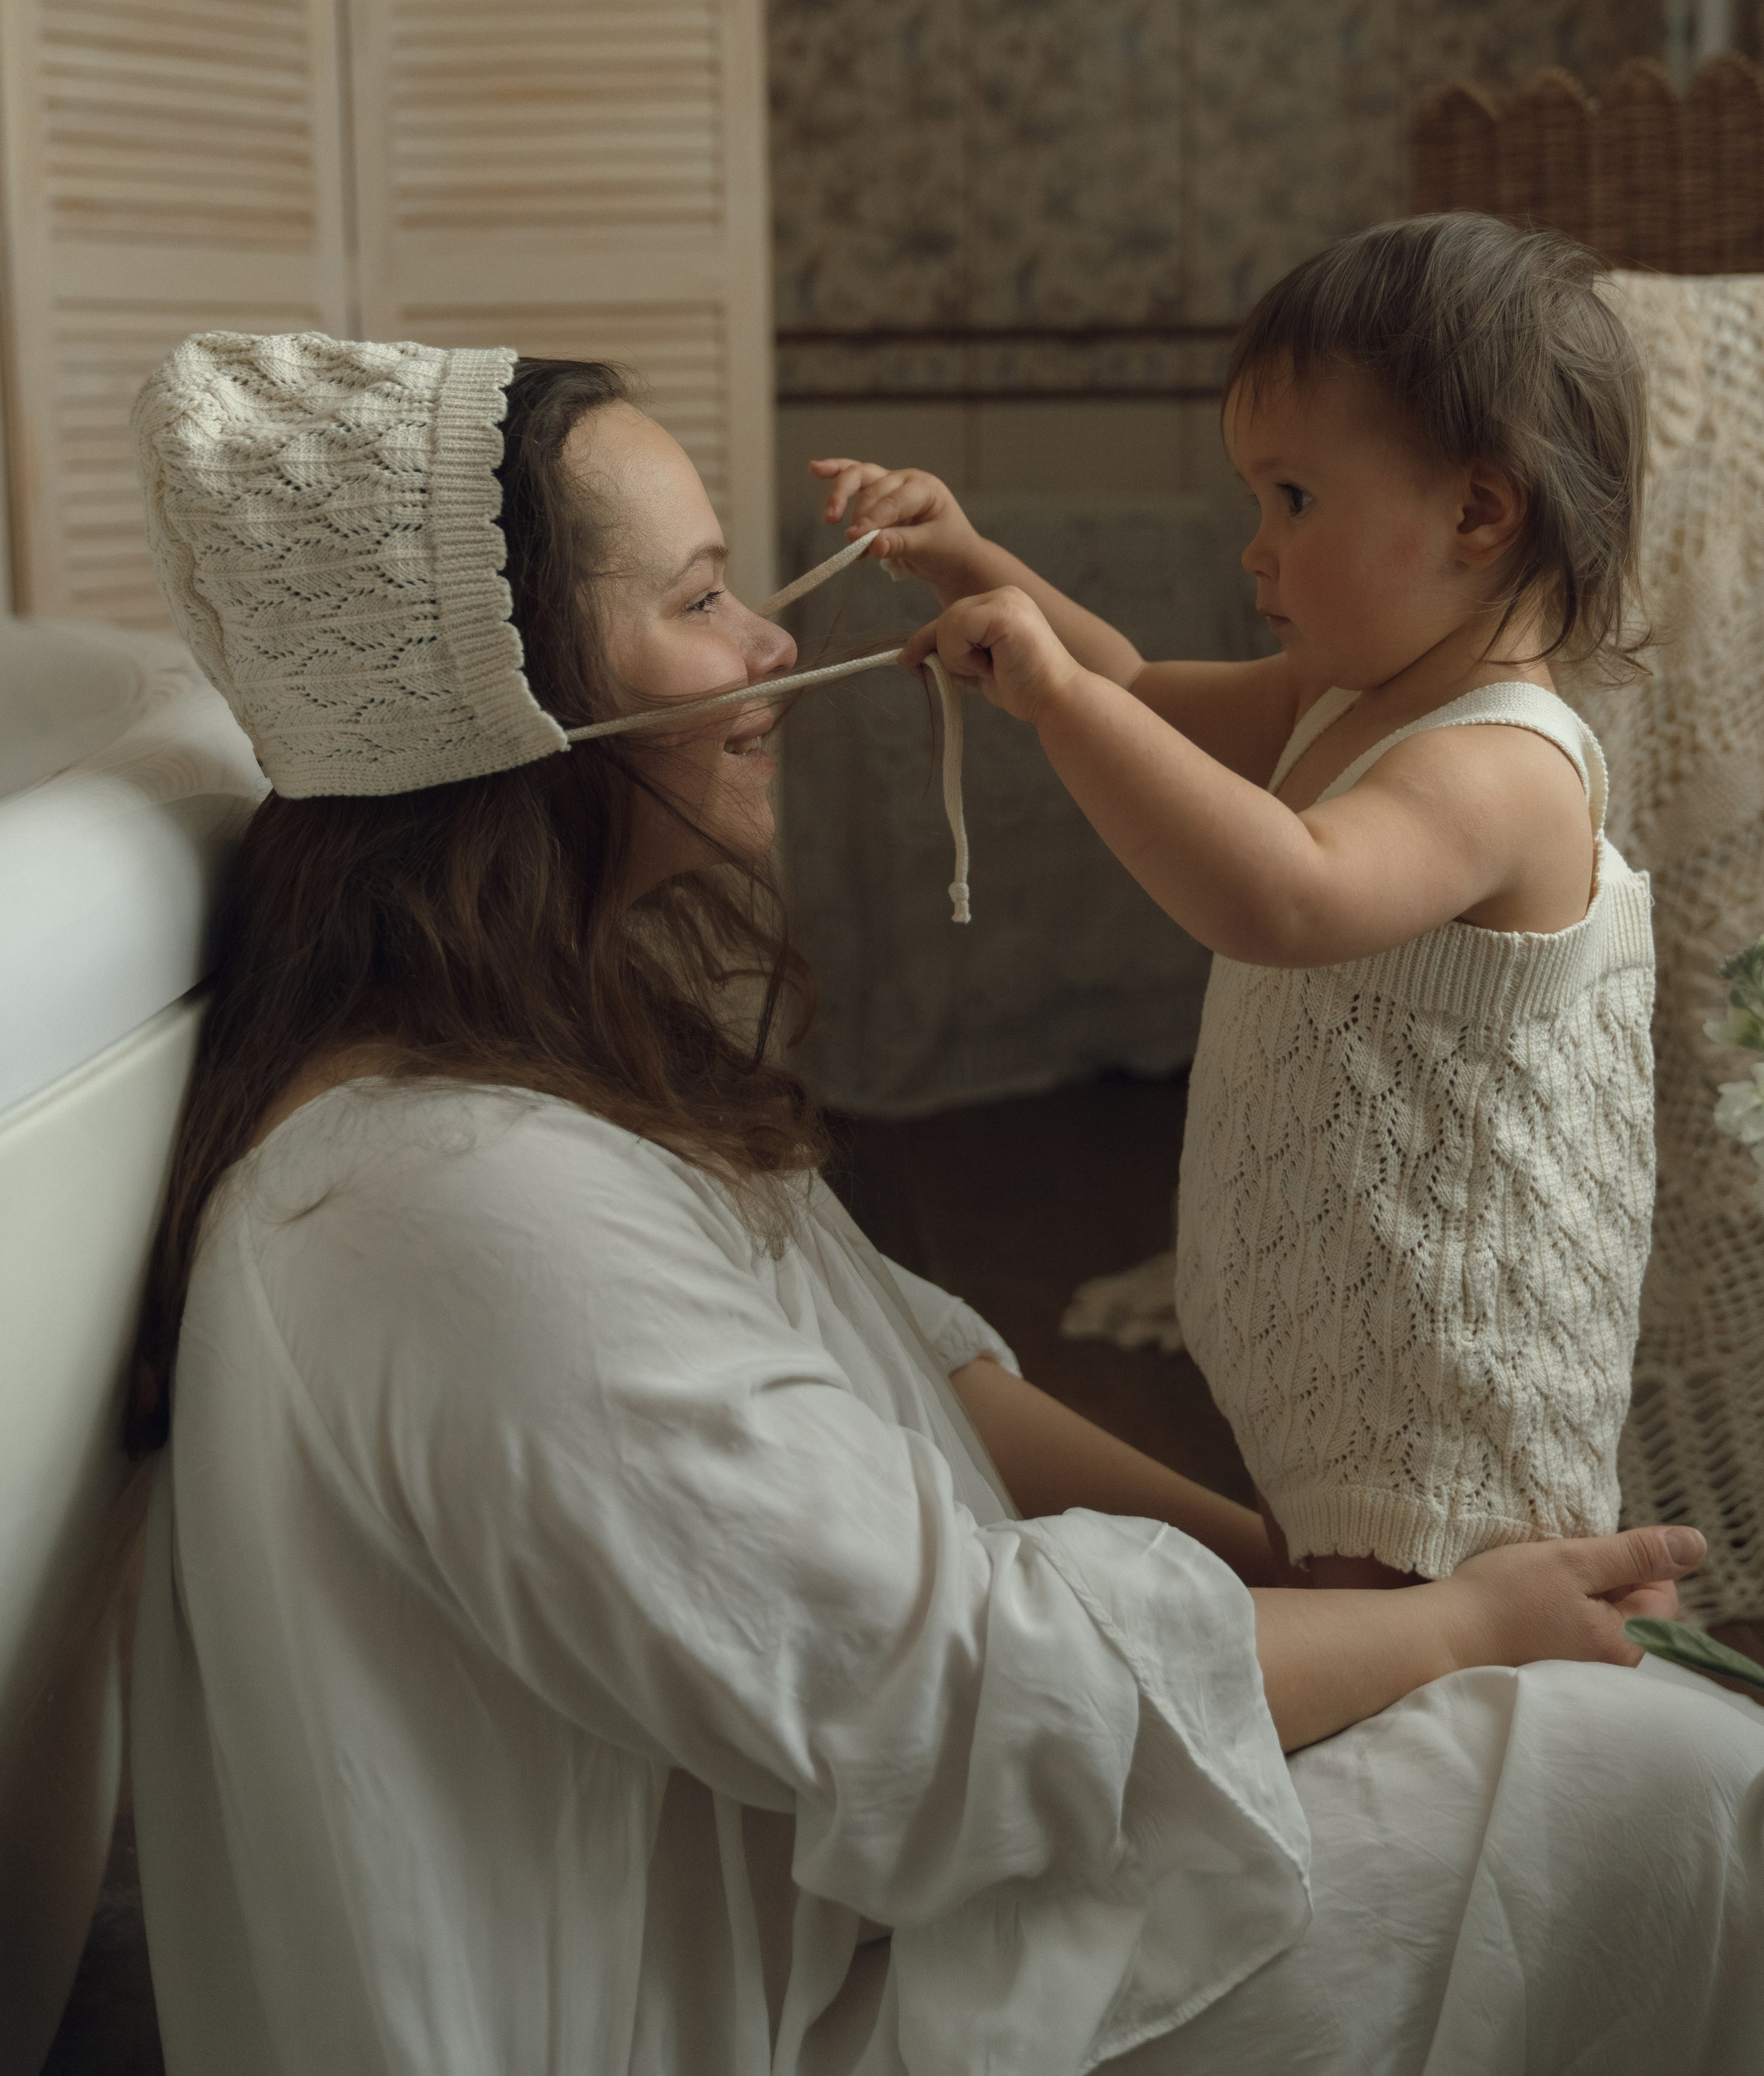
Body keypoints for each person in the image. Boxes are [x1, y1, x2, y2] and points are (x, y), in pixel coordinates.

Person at [126, 331, 1764, 2076]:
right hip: (775, 2025)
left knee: (1622, 1734)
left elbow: (928, 1377)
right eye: (699, 600)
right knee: (1677, 1784)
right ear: (506, 697)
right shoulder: (454, 1209)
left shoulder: (527, 1074)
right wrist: (1442, 1630)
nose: (771, 642)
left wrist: (1317, 1587)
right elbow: (952, 1704)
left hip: (847, 1930)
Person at [817, 216, 1656, 1596]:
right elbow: (1140, 695)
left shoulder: (1503, 764)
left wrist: (1052, 698)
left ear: (1476, 512)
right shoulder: (1343, 695)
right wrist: (968, 560)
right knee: (1318, 1572)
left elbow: (1287, 894)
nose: (1255, 550)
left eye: (1294, 500)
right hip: (1346, 1357)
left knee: (1396, 1663)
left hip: (1449, 1413)